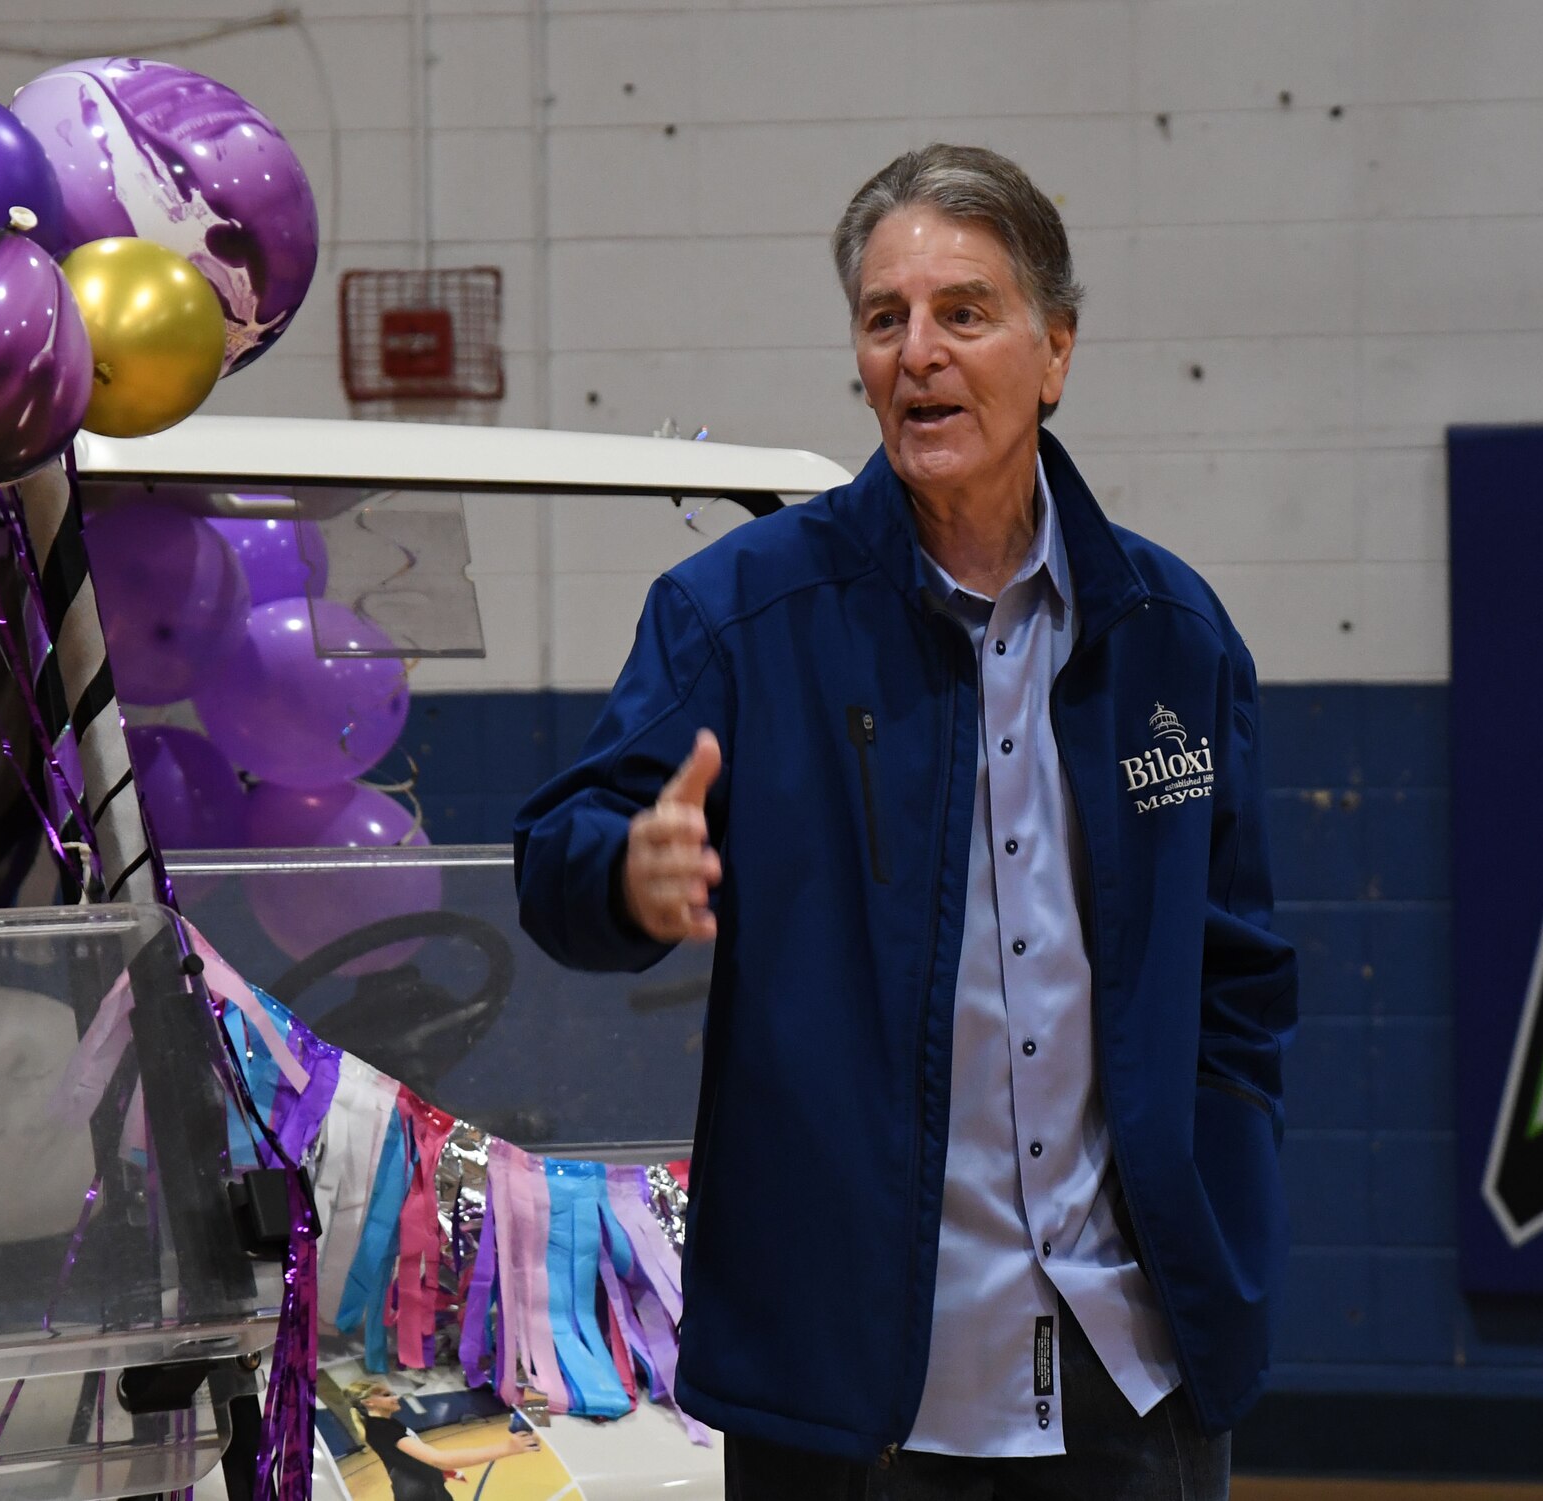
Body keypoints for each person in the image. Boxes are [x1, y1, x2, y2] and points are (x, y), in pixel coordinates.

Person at [513, 144, 1296, 1501]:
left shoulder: (1175, 637)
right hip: (851, 1387)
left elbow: (1240, 974)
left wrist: (1222, 1192)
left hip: (1136, 1362)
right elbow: (559, 856)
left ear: (1055, 350)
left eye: (963, 313)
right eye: (885, 319)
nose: (917, 353)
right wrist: (628, 878)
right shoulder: (738, 616)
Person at [345, 1383, 541, 1500]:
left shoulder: (385, 1423)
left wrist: (441, 1472)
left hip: (428, 1489)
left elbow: (406, 1459)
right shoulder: (381, 1428)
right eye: (386, 1395)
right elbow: (439, 1458)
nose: (396, 1397)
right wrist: (508, 1447)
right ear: (368, 1402)